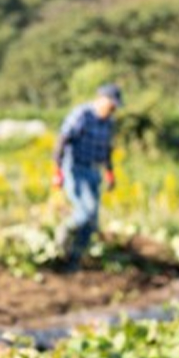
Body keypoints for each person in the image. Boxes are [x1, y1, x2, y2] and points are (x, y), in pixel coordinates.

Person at [52, 83, 122, 268]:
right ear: (101, 100)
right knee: (86, 212)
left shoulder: (109, 122)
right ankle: (63, 233)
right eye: (111, 104)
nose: (113, 109)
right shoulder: (82, 115)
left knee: (92, 221)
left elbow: (106, 149)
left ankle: (74, 258)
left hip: (93, 171)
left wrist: (110, 172)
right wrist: (57, 171)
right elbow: (62, 140)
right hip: (75, 168)